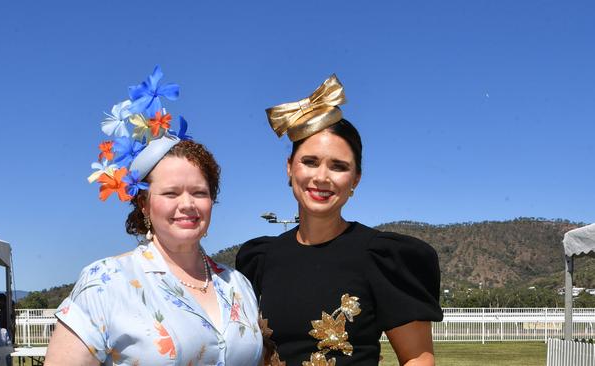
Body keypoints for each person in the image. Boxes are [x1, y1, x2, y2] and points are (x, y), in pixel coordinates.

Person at [45, 66, 262, 366]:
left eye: (199, 192)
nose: (187, 204)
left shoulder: (238, 286)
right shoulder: (106, 283)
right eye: (171, 193)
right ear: (145, 205)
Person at [236, 75, 443, 366]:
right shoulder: (259, 259)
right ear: (289, 168)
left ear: (355, 179)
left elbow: (417, 359)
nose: (321, 177)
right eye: (310, 162)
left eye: (339, 166)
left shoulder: (382, 257)